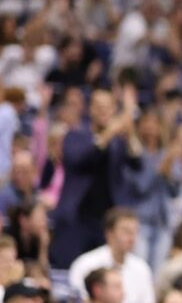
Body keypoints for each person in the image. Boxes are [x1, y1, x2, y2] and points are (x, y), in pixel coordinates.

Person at [52, 88, 141, 269]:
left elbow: (137, 163)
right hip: (77, 219)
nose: (103, 111)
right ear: (90, 109)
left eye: (108, 107)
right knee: (68, 267)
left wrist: (129, 130)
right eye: (99, 107)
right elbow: (79, 159)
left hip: (106, 221)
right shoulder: (75, 135)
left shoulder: (118, 141)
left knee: (104, 273)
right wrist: (108, 133)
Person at [68, 207, 156, 303]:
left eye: (135, 232)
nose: (132, 237)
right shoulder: (86, 264)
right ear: (109, 234)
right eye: (126, 231)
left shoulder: (142, 268)